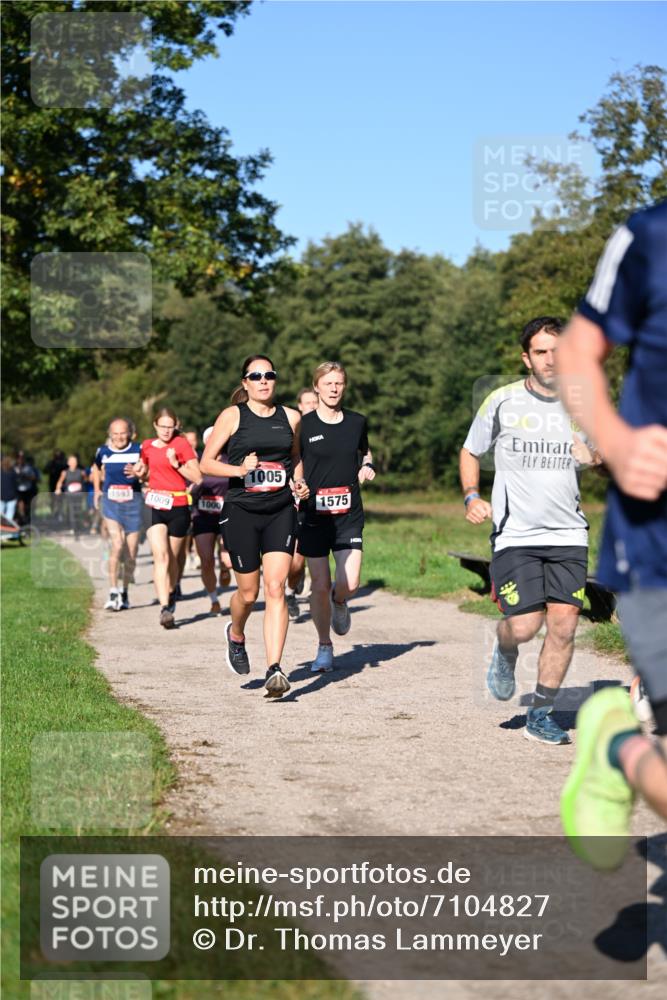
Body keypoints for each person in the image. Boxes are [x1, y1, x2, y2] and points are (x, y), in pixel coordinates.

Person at [557, 201, 667, 870]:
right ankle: (618, 750)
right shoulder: (650, 238)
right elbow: (575, 350)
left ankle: (616, 746)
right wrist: (615, 440)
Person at [460, 316, 600, 745]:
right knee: (523, 626)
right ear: (527, 358)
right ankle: (504, 651)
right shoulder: (501, 401)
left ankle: (541, 712)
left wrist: (593, 455)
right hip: (515, 535)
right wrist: (471, 495)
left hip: (568, 535)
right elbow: (470, 451)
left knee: (563, 625)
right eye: (541, 351)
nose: (551, 359)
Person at [200, 355, 309, 697]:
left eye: (269, 375)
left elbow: (296, 459)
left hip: (280, 509)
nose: (264, 380)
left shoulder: (291, 417)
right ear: (245, 383)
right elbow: (206, 462)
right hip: (242, 511)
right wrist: (238, 471)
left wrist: (299, 483)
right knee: (249, 593)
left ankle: (275, 669)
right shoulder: (232, 416)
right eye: (256, 376)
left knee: (275, 586)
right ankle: (235, 633)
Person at [297, 361, 376, 673]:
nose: (333, 389)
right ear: (316, 387)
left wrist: (368, 465)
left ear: (344, 387)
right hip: (314, 515)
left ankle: (340, 602)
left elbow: (365, 451)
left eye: (338, 384)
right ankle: (324, 647)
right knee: (318, 584)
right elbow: (295, 462)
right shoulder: (304, 425)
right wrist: (298, 484)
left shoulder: (357, 422)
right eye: (327, 383)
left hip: (348, 514)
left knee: (350, 582)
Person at [132, 408, 202, 629]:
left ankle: (172, 590)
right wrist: (139, 472)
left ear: (176, 426)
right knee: (160, 556)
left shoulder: (181, 445)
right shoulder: (147, 445)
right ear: (155, 425)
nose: (165, 430)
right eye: (162, 426)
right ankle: (164, 608)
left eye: (170, 426)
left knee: (173, 557)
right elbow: (145, 472)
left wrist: (177, 465)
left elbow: (198, 476)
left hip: (178, 506)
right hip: (153, 504)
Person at [91, 418, 143, 611]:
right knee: (117, 544)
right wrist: (97, 489)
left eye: (122, 433)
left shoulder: (138, 450)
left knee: (131, 553)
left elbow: (147, 472)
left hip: (133, 505)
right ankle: (113, 592)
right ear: (109, 434)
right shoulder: (102, 452)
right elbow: (96, 468)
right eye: (115, 433)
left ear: (128, 433)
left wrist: (139, 474)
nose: (119, 437)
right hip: (111, 503)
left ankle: (125, 591)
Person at [285, 386, 320, 619]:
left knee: (308, 554)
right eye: (307, 402)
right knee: (296, 561)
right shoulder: (291, 430)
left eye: (315, 402)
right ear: (300, 406)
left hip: (318, 499)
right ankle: (290, 590)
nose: (312, 406)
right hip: (295, 497)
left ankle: (292, 589)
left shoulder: (326, 428)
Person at [190, 425, 233, 615]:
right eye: (210, 439)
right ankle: (214, 599)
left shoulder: (230, 460)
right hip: (203, 516)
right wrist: (192, 487)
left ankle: (224, 568)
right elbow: (187, 485)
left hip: (227, 516)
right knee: (206, 560)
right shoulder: (197, 462)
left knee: (228, 561)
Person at [55, 455, 87, 537]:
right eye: (72, 461)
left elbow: (86, 480)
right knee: (71, 511)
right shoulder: (65, 473)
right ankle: (73, 528)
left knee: (79, 511)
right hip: (69, 495)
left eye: (75, 461)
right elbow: (59, 482)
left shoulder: (81, 472)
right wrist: (58, 489)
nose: (73, 463)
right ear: (68, 463)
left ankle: (79, 526)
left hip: (79, 495)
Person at [14, 451, 38, 524]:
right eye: (19, 458)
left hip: (28, 489)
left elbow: (34, 478)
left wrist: (26, 477)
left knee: (28, 506)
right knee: (20, 505)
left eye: (22, 458)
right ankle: (22, 519)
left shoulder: (28, 468)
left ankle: (28, 519)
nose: (20, 460)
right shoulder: (14, 468)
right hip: (18, 490)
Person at [1, 456, 19, 522]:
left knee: (1, 515)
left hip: (2, 496)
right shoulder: (13, 472)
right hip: (11, 497)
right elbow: (17, 482)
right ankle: (7, 531)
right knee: (9, 517)